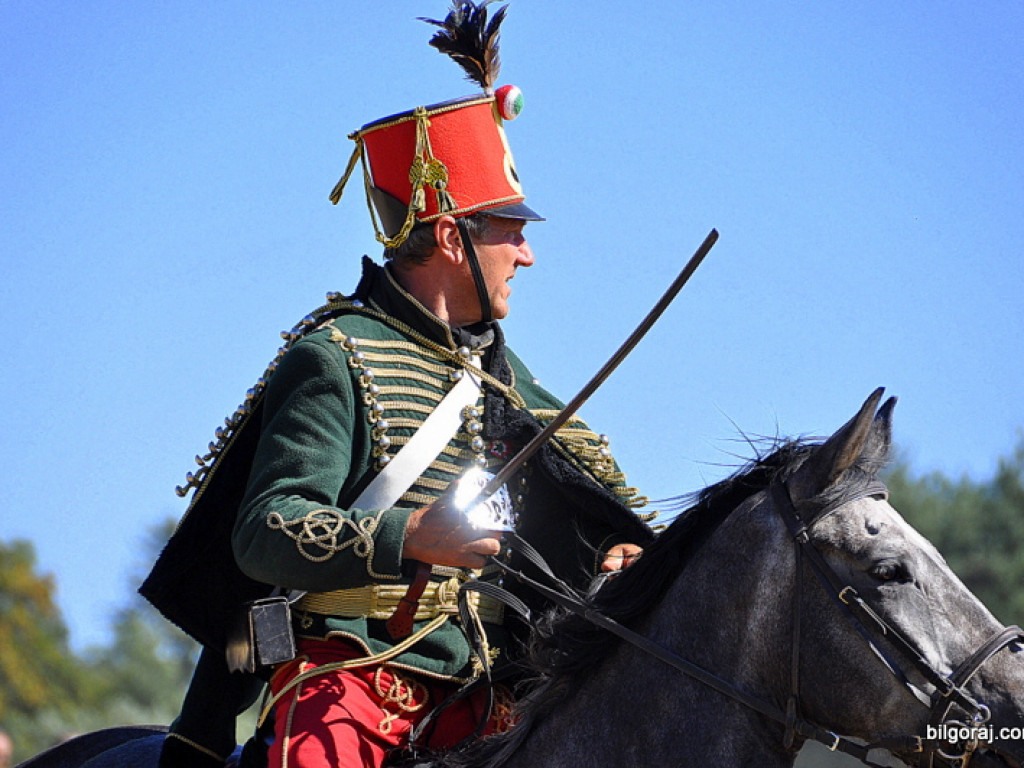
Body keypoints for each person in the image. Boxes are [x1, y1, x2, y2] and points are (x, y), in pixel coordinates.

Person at [143, 3, 655, 768]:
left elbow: (616, 516)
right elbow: (266, 529)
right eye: (510, 231)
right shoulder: (337, 355)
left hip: (491, 694)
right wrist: (409, 537)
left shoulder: (526, 391)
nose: (527, 254)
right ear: (452, 237)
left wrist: (623, 554)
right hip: (352, 683)